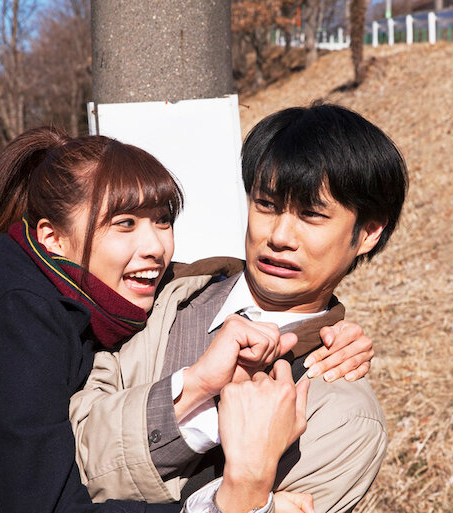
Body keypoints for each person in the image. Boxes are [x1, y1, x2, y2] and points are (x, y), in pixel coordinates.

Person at [0, 127, 310, 513]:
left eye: (162, 221)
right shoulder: (17, 317)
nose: (155, 246)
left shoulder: (73, 296)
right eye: (125, 223)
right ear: (52, 238)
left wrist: (327, 327)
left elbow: (212, 275)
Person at [70, 103, 409, 512]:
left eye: (312, 215)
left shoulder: (345, 417)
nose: (280, 236)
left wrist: (245, 486)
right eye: (266, 205)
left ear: (369, 232)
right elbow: (56, 459)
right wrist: (192, 394)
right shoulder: (155, 297)